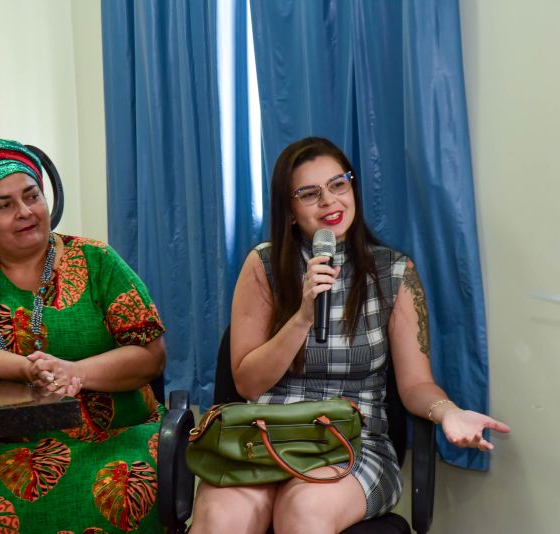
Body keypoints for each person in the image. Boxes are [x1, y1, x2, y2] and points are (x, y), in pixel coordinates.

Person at [190, 137, 510, 533]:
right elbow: (248, 382)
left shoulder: (394, 273)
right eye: (310, 194)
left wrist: (450, 413)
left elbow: (415, 384)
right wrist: (303, 316)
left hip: (352, 445)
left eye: (338, 184)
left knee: (304, 510)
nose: (329, 202)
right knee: (223, 517)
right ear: (290, 211)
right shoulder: (264, 265)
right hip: (266, 437)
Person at [0, 139, 167, 533]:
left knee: (121, 491)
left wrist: (75, 372)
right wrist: (28, 368)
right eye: (4, 205)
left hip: (114, 435)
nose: (25, 212)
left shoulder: (95, 259)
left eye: (32, 196)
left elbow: (151, 354)